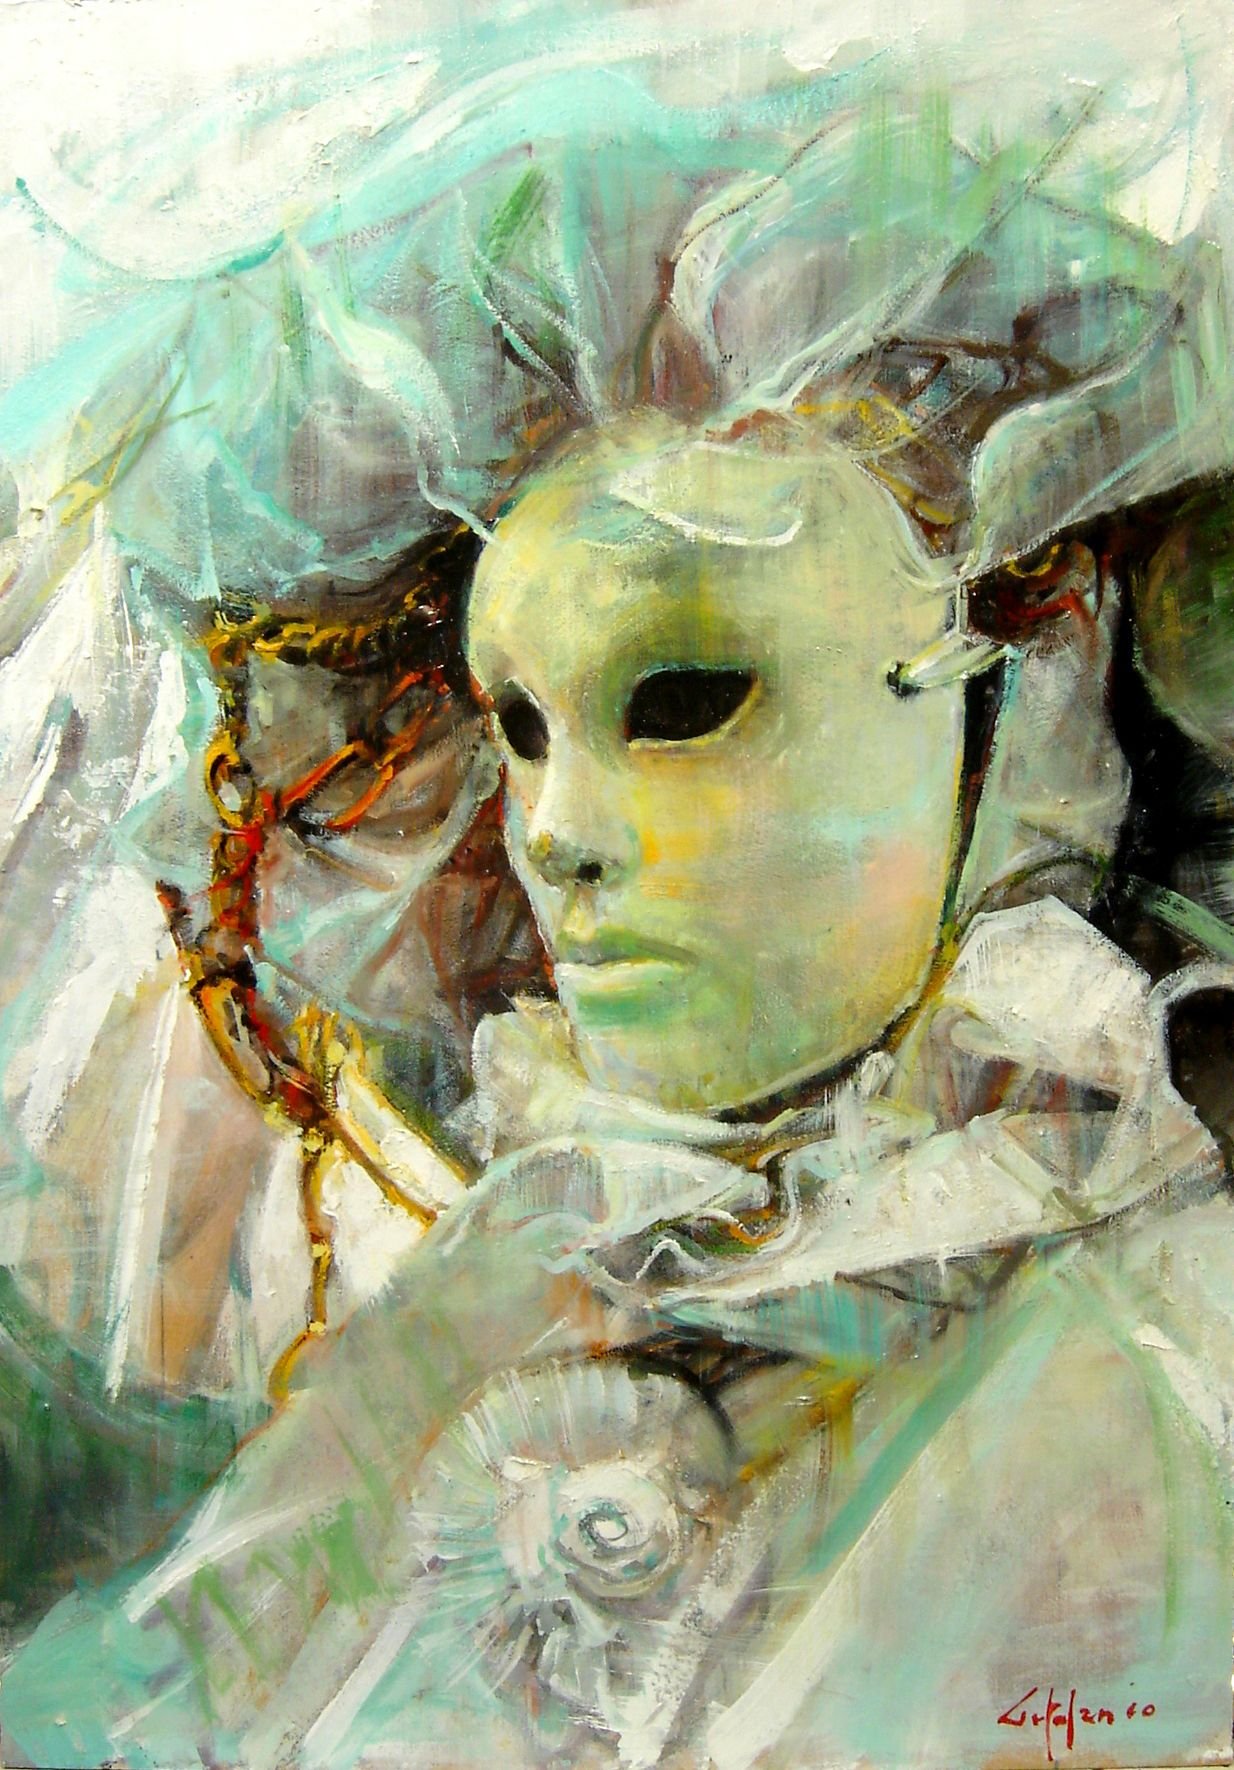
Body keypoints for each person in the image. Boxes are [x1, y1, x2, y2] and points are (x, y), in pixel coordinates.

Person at [5, 25, 1234, 1770]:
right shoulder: (484, 1299)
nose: (554, 836)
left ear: (1015, 682)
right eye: (518, 727)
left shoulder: (1173, 1345)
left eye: (686, 697)